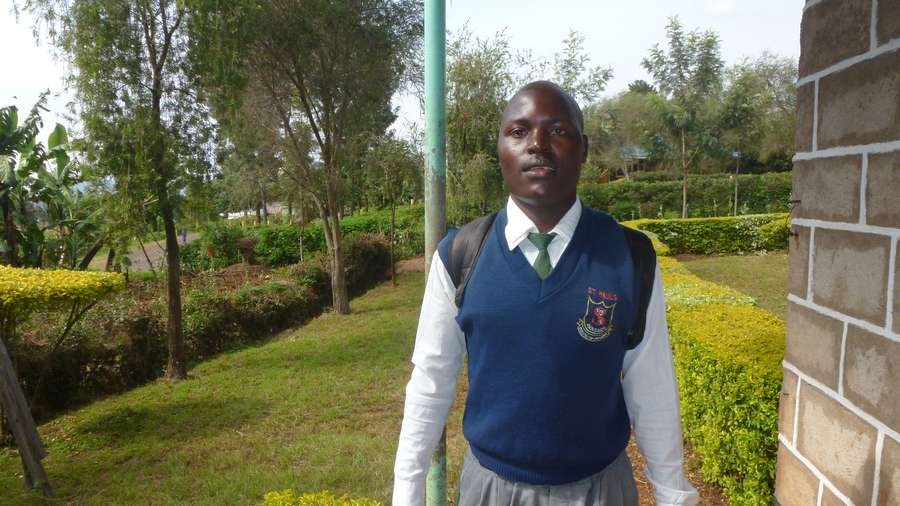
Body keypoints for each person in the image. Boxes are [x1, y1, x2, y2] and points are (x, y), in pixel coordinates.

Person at [393, 81, 699, 506]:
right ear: (499, 149)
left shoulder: (629, 256)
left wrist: (672, 494)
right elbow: (431, 380)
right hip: (490, 491)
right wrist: (406, 493)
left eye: (557, 130)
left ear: (583, 148)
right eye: (518, 131)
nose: (537, 144)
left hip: (601, 491)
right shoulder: (460, 256)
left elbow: (652, 388)